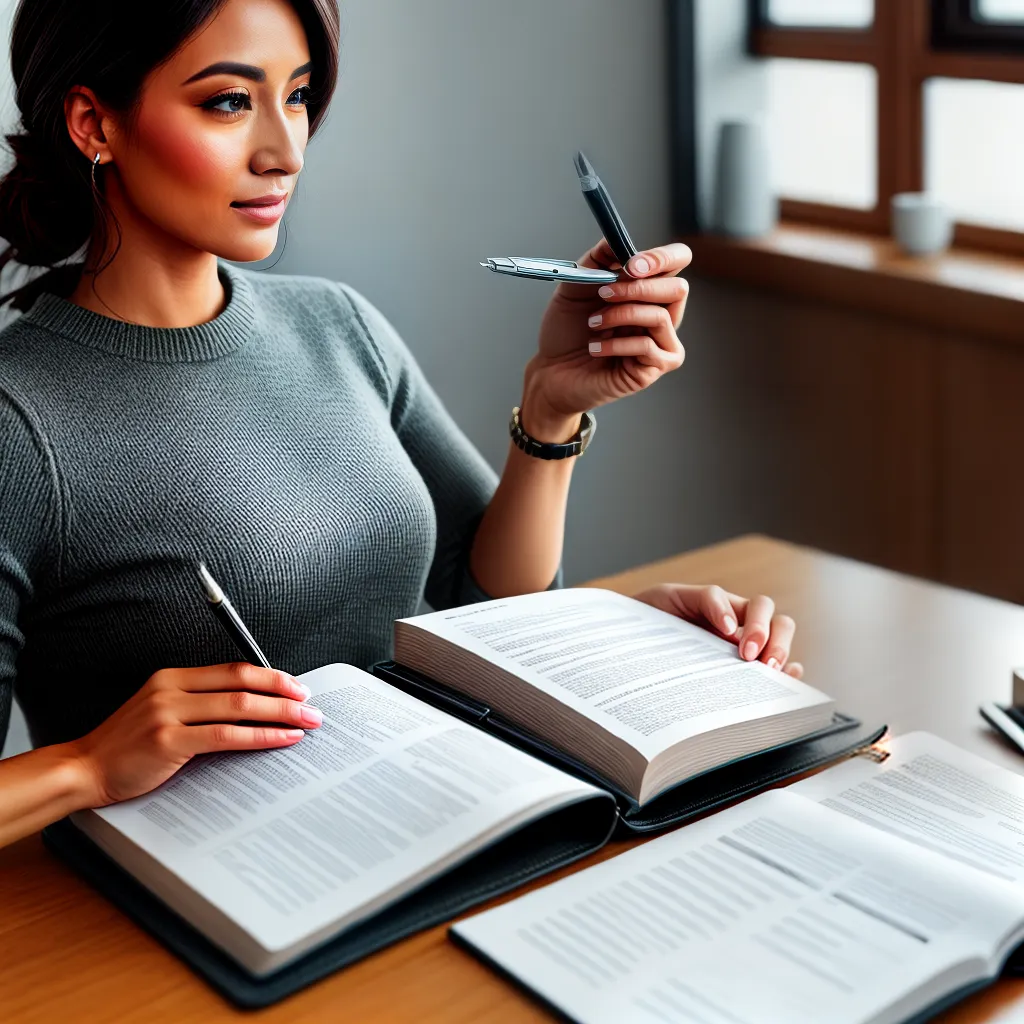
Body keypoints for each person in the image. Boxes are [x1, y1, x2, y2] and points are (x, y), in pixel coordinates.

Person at [0, 0, 802, 850]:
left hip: (419, 840)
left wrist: (552, 407)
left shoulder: (338, 324)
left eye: (299, 96)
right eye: (229, 102)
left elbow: (485, 599)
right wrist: (88, 763)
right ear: (94, 122)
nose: (285, 151)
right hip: (189, 913)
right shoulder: (21, 417)